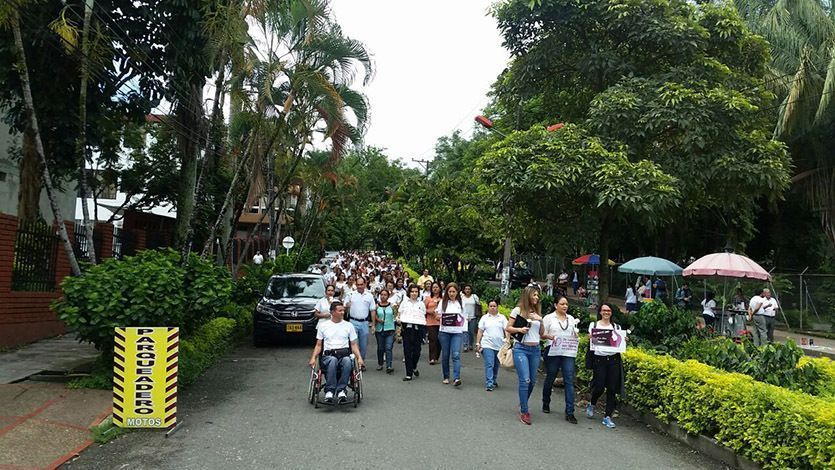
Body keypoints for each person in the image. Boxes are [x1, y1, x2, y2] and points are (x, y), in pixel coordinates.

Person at [308, 301, 364, 404]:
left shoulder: (349, 326)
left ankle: (341, 390)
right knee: (333, 361)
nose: (343, 312)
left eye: (343, 310)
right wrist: (313, 357)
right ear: (332, 312)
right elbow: (319, 345)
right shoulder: (323, 326)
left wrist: (359, 357)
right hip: (328, 356)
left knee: (347, 361)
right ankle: (329, 390)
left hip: (344, 355)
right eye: (340, 310)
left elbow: (354, 344)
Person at [506, 287, 544, 425]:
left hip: (535, 349)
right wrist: (520, 329)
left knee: (533, 381)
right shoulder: (518, 310)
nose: (536, 298)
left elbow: (541, 333)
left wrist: (541, 320)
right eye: (534, 295)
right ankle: (525, 411)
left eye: (537, 295)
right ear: (528, 296)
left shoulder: (537, 311)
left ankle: (523, 403)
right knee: (525, 380)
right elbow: (508, 328)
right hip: (521, 348)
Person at [542, 295, 579, 423]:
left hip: (567, 352)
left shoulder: (571, 319)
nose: (565, 306)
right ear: (555, 305)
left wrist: (576, 335)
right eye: (562, 304)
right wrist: (550, 337)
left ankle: (570, 411)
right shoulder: (548, 318)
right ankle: (546, 401)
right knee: (551, 376)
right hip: (553, 351)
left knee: (569, 379)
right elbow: (542, 335)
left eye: (566, 304)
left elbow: (573, 334)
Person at [586, 304, 624, 428]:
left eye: (608, 310)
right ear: (600, 312)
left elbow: (619, 342)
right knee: (599, 386)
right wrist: (590, 338)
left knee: (612, 389)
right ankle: (592, 403)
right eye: (604, 310)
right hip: (599, 360)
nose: (606, 312)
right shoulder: (594, 326)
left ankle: (607, 416)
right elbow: (590, 341)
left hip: (613, 360)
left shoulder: (617, 327)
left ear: (611, 312)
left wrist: (624, 340)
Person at [436, 282, 466, 386]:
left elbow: (464, 318)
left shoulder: (461, 303)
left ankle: (457, 378)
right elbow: (437, 315)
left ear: (457, 292)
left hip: (457, 332)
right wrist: (439, 317)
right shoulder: (442, 303)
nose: (452, 293)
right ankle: (446, 376)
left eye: (453, 291)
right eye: (450, 291)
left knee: (456, 354)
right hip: (444, 331)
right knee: (445, 354)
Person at [476, 299, 508, 391]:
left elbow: (506, 329)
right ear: (488, 307)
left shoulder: (502, 318)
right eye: (491, 306)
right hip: (487, 344)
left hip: (499, 345)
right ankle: (489, 383)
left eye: (494, 306)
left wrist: (507, 340)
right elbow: (480, 331)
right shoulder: (484, 318)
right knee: (489, 364)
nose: (493, 308)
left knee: (496, 365)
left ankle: (493, 379)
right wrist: (478, 343)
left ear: (497, 307)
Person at [345, 276, 375, 368]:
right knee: (354, 343)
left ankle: (361, 362)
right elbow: (343, 307)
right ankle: (353, 364)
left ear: (365, 285)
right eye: (358, 285)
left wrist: (373, 324)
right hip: (353, 322)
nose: (360, 286)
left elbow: (372, 310)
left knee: (363, 345)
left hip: (364, 323)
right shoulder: (350, 295)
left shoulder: (369, 296)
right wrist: (347, 305)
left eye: (361, 284)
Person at [399, 284, 426, 381]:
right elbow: (399, 313)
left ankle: (414, 366)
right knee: (407, 351)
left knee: (417, 352)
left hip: (418, 330)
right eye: (412, 291)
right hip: (407, 329)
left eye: (416, 291)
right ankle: (408, 373)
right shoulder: (404, 303)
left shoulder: (421, 304)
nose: (414, 293)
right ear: (409, 293)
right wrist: (399, 319)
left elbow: (423, 315)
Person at [372, 289, 396, 373]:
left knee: (388, 348)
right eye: (381, 294)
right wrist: (377, 320)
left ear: (388, 296)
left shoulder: (392, 306)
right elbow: (373, 317)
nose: (383, 296)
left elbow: (396, 316)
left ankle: (389, 365)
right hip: (380, 329)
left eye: (385, 295)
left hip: (390, 329)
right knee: (381, 348)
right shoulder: (376, 306)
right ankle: (380, 363)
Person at [424, 282, 442, 365]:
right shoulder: (428, 298)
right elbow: (423, 309)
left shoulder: (443, 298)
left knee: (439, 340)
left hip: (441, 322)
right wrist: (430, 311)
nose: (435, 289)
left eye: (437, 287)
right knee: (432, 339)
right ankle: (432, 358)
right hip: (430, 322)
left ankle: (436, 356)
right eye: (433, 287)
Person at [461, 284, 480, 352]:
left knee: (471, 332)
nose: (467, 290)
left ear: (471, 290)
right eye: (466, 289)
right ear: (464, 290)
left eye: (469, 289)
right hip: (464, 317)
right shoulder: (461, 296)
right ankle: (465, 345)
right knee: (465, 332)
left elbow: (479, 305)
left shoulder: (474, 297)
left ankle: (471, 344)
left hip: (473, 317)